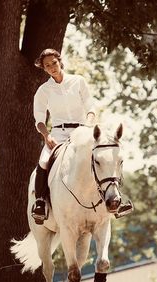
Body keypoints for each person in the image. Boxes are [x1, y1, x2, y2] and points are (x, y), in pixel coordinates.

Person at [32, 48, 133, 224]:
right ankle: (40, 202)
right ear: (44, 68)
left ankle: (117, 200)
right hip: (58, 133)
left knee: (104, 157)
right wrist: (46, 136)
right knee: (43, 160)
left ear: (60, 61)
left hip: (83, 130)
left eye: (54, 63)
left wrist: (88, 124)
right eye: (47, 66)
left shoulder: (78, 81)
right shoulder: (43, 90)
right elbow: (39, 119)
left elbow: (90, 107)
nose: (51, 68)